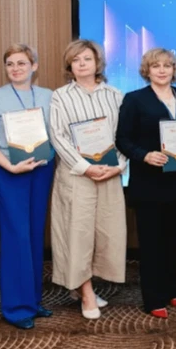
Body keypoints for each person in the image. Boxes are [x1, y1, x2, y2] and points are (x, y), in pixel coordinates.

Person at [116, 48, 176, 319]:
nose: (162, 70)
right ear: (147, 70)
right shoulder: (135, 99)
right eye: (156, 66)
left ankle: (170, 291)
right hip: (149, 183)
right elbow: (122, 139)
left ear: (174, 70)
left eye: (167, 65)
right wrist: (144, 155)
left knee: (172, 241)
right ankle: (153, 298)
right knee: (152, 244)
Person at [48, 39, 127, 320]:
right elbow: (58, 136)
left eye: (87, 59)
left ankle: (85, 285)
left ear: (98, 63)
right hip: (77, 175)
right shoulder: (60, 96)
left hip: (109, 173)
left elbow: (124, 136)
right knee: (77, 234)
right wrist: (85, 167)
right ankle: (86, 292)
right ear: (69, 66)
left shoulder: (115, 95)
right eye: (76, 60)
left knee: (106, 233)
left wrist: (118, 166)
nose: (82, 64)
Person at [0, 44, 55, 330]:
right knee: (16, 237)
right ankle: (15, 307)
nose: (15, 69)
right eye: (10, 64)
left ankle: (32, 301)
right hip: (10, 173)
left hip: (41, 171)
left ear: (34, 66)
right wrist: (9, 167)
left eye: (22, 63)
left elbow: (56, 133)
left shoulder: (48, 95)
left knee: (34, 235)